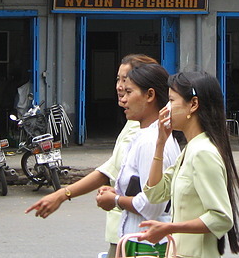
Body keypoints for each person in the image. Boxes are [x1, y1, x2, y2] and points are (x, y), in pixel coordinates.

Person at [26, 54, 159, 256]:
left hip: (137, 235)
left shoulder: (148, 135)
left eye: (127, 82)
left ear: (149, 93)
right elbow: (114, 168)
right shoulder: (138, 126)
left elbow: (150, 200)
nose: (120, 87)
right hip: (128, 230)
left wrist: (112, 199)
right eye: (118, 79)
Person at [139, 71, 239, 257]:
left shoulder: (203, 153)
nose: (165, 108)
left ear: (193, 104)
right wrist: (160, 143)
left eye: (172, 100)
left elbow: (221, 217)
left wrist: (169, 227)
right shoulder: (191, 149)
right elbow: (154, 193)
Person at [95, 63, 181, 258]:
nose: (123, 99)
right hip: (141, 241)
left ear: (150, 95)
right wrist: (117, 191)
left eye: (129, 92)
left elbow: (152, 205)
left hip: (148, 246)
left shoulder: (152, 141)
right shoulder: (144, 135)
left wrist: (116, 199)